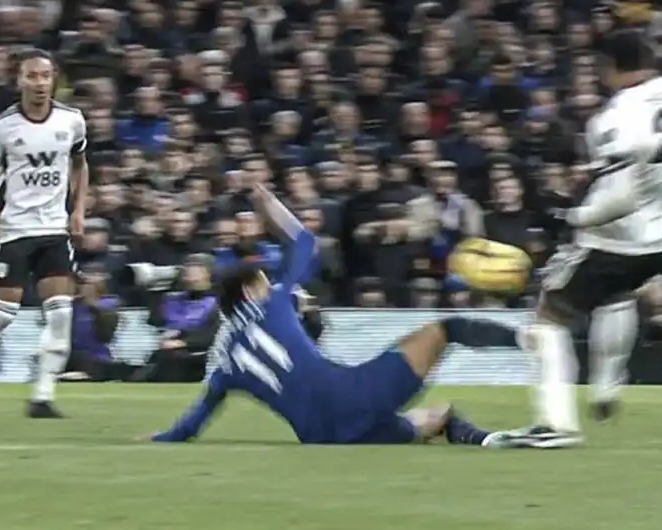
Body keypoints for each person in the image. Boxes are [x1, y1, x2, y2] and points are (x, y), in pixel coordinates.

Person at [144, 183, 521, 446]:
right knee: (446, 329)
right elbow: (305, 242)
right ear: (250, 291)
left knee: (430, 418)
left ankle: (477, 435)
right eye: (263, 280)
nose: (270, 283)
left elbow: (192, 424)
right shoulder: (272, 302)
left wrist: (160, 437)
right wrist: (270, 204)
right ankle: (526, 339)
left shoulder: (224, 365)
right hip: (354, 399)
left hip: (321, 435)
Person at [510, 30, 662, 448]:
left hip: (611, 238)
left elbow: (620, 197)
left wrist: (572, 216)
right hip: (661, 240)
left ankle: (556, 425)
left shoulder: (614, 116)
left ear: (610, 66)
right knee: (618, 297)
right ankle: (605, 387)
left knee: (546, 320)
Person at [0, 49, 88, 418]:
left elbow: (80, 163)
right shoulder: (2, 127)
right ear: (19, 80)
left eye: (45, 75)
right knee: (2, 313)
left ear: (54, 79)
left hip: (53, 230)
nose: (39, 82)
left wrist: (77, 209)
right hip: (16, 229)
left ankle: (42, 396)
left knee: (61, 313)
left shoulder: (72, 121)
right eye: (31, 75)